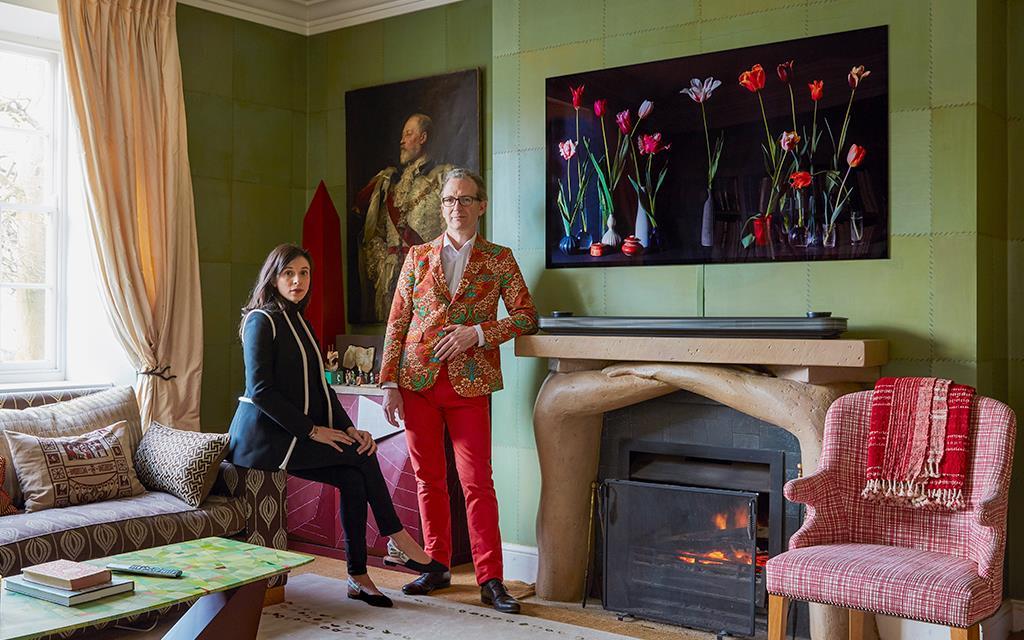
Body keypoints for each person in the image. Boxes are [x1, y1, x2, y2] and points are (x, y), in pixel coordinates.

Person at [227, 243, 446, 608]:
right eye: (288, 274)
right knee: (360, 461)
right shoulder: (259, 321)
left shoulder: (300, 321)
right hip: (263, 440)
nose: (297, 280)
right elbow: (261, 391)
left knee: (353, 473)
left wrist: (349, 429)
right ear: (274, 278)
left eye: (304, 273)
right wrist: (312, 431)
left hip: (292, 435)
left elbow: (322, 388)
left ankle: (358, 577)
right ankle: (398, 539)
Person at [379, 168, 538, 614]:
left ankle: (490, 578)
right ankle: (437, 566)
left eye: (466, 199)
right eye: (449, 200)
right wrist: (389, 382)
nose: (456, 207)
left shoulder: (499, 258)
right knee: (428, 480)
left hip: (471, 383)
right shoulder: (417, 256)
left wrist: (479, 334)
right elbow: (397, 321)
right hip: (417, 382)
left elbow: (527, 316)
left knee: (476, 483)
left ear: (481, 206)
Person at [352, 113, 453, 323]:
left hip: (427, 284)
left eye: (408, 133)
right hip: (391, 286)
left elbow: (451, 235)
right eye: (402, 135)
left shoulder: (442, 177)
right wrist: (384, 266)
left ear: (423, 138)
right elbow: (376, 233)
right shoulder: (391, 184)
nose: (402, 140)